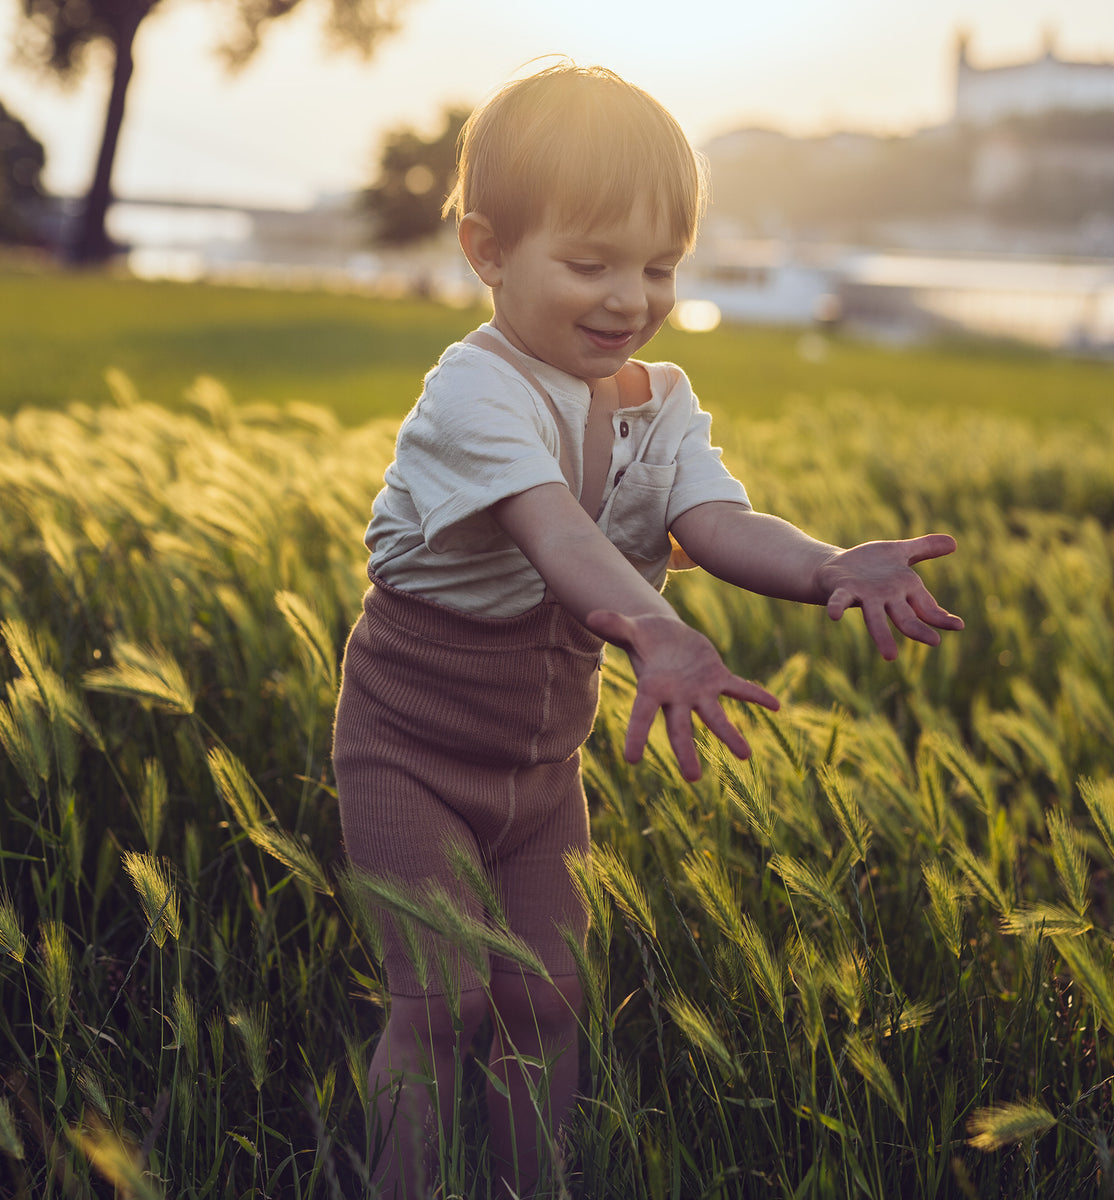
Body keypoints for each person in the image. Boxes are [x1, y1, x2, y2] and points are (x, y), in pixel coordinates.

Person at [332, 62, 964, 1199]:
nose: (630, 296)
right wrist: (658, 635)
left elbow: (717, 520)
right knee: (446, 1002)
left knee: (547, 994)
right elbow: (556, 536)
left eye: (659, 266)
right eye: (590, 264)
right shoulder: (473, 392)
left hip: (541, 766)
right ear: (487, 251)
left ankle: (536, 1186)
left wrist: (828, 567)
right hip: (411, 750)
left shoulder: (659, 399)